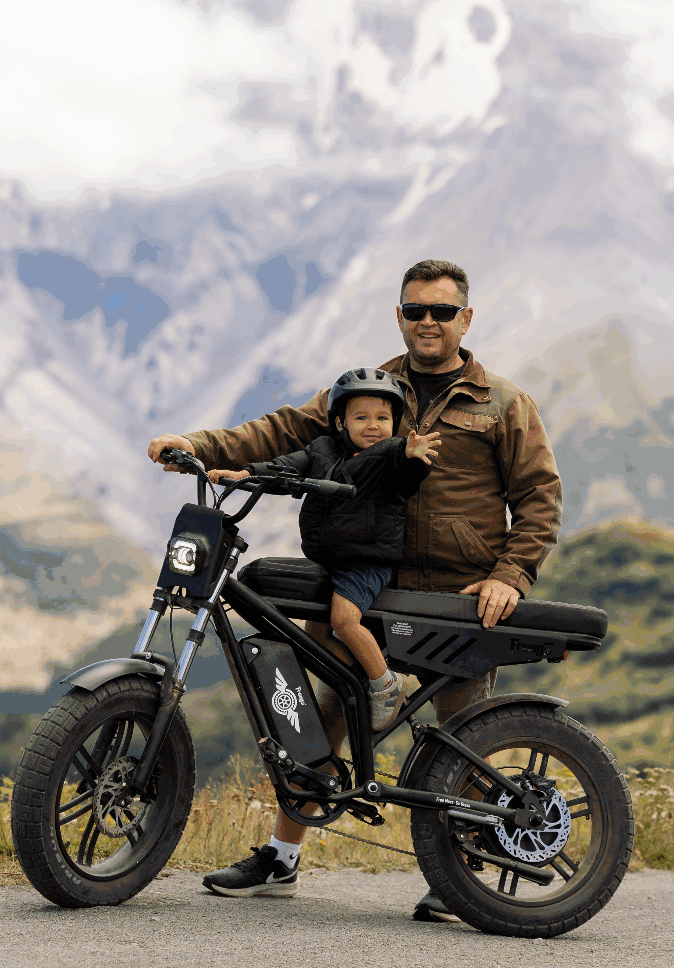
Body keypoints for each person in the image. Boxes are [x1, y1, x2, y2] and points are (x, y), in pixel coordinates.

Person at [148, 259, 562, 918]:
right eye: (416, 310)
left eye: (442, 311)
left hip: (457, 597)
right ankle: (282, 858)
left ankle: (465, 876)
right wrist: (196, 444)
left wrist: (511, 575)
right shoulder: (369, 390)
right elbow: (281, 431)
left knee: (465, 734)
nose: (428, 322)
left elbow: (539, 496)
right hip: (365, 585)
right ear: (400, 316)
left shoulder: (504, 404)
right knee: (324, 717)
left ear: (466, 319)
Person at [209, 368, 442, 730]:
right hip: (329, 561)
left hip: (365, 563)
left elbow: (406, 469)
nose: (373, 426)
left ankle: (385, 683)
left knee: (343, 620)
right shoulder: (322, 450)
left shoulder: (391, 455)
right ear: (339, 422)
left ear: (395, 424)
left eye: (383, 418)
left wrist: (411, 455)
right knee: (311, 636)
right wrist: (245, 475)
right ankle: (347, 686)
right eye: (361, 417)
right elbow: (285, 469)